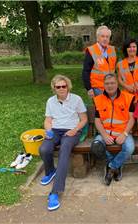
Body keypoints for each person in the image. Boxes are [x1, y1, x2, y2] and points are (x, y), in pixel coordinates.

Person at [39, 75, 88, 211]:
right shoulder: (50, 101)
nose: (61, 89)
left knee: (64, 150)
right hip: (55, 130)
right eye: (58, 87)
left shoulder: (76, 99)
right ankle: (50, 171)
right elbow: (48, 120)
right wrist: (48, 130)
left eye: (63, 86)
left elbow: (84, 119)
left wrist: (74, 130)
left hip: (71, 131)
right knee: (44, 149)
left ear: (68, 86)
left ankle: (55, 192)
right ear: (54, 88)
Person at [90, 73, 135, 186]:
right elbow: (97, 121)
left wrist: (124, 134)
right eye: (107, 83)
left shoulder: (128, 97)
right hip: (106, 133)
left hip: (122, 132)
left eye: (112, 83)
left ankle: (111, 167)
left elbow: (132, 119)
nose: (110, 86)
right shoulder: (98, 99)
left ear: (117, 84)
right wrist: (104, 135)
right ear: (103, 85)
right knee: (96, 146)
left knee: (130, 148)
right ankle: (116, 166)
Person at [82, 25, 117, 98]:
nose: (105, 39)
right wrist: (89, 88)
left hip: (112, 87)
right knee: (101, 109)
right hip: (98, 88)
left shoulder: (112, 50)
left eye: (107, 37)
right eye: (102, 36)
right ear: (97, 38)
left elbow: (114, 69)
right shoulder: (91, 50)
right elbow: (86, 71)